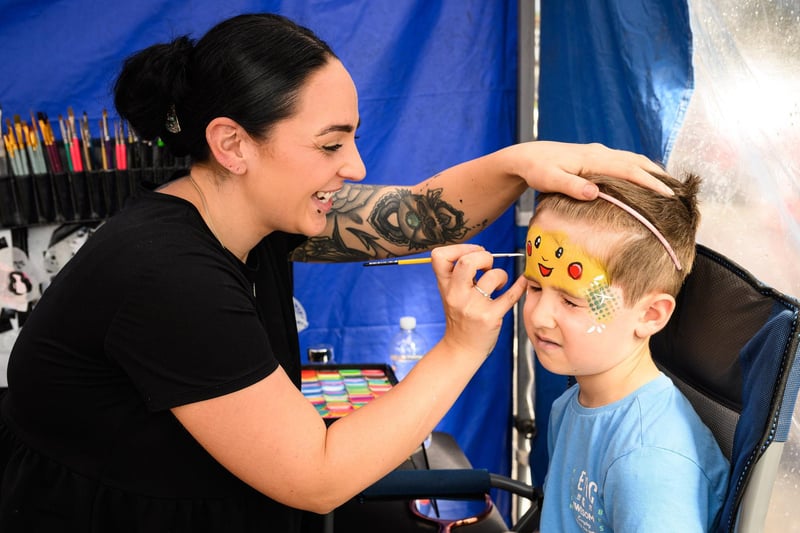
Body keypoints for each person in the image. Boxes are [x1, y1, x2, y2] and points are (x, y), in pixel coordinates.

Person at [0, 12, 671, 532]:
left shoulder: (245, 210)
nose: (354, 166)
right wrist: (462, 348)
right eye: (330, 143)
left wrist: (526, 160)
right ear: (232, 144)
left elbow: (415, 214)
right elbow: (315, 476)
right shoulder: (166, 277)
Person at [521, 172, 730, 531]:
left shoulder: (650, 462)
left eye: (571, 301)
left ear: (650, 315)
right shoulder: (569, 407)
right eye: (535, 286)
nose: (539, 316)